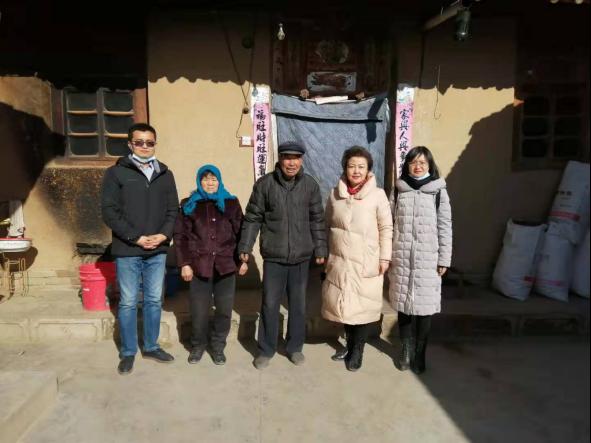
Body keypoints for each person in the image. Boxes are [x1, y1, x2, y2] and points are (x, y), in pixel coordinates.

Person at [238, 142, 327, 369]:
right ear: (280, 159)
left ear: (301, 160)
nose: (292, 163)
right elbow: (253, 217)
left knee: (298, 304)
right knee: (269, 303)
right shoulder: (265, 184)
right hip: (274, 257)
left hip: (301, 257)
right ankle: (266, 349)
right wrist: (245, 247)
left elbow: (317, 219)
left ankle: (294, 347)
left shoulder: (310, 186)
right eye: (287, 157)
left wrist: (320, 249)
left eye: (296, 158)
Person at [101, 123, 179, 375]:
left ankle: (151, 346)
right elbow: (109, 211)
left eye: (149, 142)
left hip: (157, 249)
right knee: (128, 302)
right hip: (128, 249)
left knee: (154, 300)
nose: (145, 147)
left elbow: (173, 210)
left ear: (155, 144)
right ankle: (127, 352)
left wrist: (163, 235)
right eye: (139, 142)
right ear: (130, 144)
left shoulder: (165, 174)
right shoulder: (116, 173)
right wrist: (136, 238)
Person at [321, 147, 393, 371]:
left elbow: (386, 228)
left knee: (361, 308)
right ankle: (349, 345)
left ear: (368, 170)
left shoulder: (378, 195)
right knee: (345, 307)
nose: (356, 171)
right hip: (340, 261)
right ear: (345, 168)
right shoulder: (335, 194)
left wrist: (385, 258)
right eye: (351, 166)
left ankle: (357, 350)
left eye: (361, 166)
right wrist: (324, 253)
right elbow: (326, 225)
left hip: (366, 261)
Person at [388, 146, 453, 374]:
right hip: (402, 257)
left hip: (428, 259)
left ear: (429, 166)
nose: (418, 166)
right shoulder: (399, 190)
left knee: (424, 309)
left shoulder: (438, 192)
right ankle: (405, 350)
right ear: (407, 165)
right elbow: (389, 223)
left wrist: (444, 258)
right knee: (403, 306)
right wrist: (387, 254)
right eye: (413, 162)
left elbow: (445, 227)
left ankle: (420, 352)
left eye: (422, 163)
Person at [173, 164, 247, 365]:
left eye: (214, 179)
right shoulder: (189, 204)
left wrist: (242, 259)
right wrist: (185, 264)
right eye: (205, 179)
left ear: (219, 181)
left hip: (226, 265)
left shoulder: (231, 203)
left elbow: (242, 232)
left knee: (224, 310)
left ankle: (218, 346)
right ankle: (198, 345)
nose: (210, 183)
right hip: (199, 266)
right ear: (199, 181)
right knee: (199, 311)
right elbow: (180, 236)